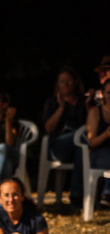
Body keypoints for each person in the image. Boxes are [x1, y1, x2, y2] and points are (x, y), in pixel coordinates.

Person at [41, 67, 88, 210]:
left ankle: (76, 199)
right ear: (58, 85)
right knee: (81, 137)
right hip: (58, 146)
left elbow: (91, 123)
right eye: (62, 82)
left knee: (82, 148)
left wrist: (89, 105)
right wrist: (61, 108)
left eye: (68, 81)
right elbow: (48, 128)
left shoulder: (83, 102)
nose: (65, 84)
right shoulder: (52, 103)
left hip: (80, 145)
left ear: (75, 83)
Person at [85, 76, 110, 208]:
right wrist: (106, 134)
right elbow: (92, 142)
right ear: (103, 94)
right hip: (98, 153)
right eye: (109, 92)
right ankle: (107, 193)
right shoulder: (96, 112)